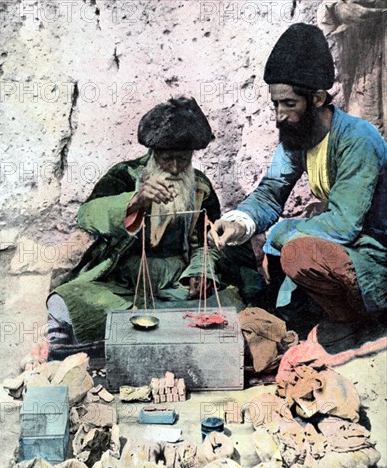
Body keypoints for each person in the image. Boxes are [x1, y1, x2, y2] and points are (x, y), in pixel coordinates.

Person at [212, 23, 387, 349]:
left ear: (318, 98)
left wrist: (276, 238)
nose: (280, 114)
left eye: (289, 104)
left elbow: (344, 225)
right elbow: (271, 190)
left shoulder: (358, 139)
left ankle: (359, 323)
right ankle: (315, 323)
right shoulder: (298, 135)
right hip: (344, 249)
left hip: (374, 254)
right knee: (260, 251)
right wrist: (240, 222)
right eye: (276, 104)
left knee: (296, 252)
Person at [46, 97, 222, 357]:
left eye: (183, 160)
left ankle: (109, 343)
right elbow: (86, 215)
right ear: (153, 153)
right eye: (167, 159)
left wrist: (201, 270)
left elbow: (207, 240)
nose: (175, 168)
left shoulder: (200, 187)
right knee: (64, 304)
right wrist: (135, 201)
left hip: (176, 288)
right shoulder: (125, 175)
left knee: (229, 309)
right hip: (122, 285)